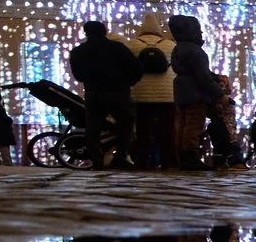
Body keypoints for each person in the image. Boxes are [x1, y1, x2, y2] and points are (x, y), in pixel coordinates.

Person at [69, 20, 141, 168]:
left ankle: (97, 160)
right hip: (119, 93)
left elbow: (78, 76)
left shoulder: (78, 51)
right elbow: (137, 68)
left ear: (86, 32)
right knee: (126, 125)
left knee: (93, 128)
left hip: (94, 94)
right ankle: (120, 157)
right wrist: (129, 82)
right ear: (105, 31)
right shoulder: (118, 48)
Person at [126, 15, 177, 169]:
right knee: (168, 130)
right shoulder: (170, 45)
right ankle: (169, 162)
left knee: (142, 131)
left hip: (140, 95)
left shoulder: (131, 45)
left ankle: (141, 161)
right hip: (167, 96)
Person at [167, 15, 216, 169]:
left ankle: (182, 156)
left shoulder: (178, 49)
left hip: (181, 92)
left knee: (181, 125)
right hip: (196, 94)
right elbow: (203, 77)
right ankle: (190, 157)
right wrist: (219, 94)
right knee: (193, 125)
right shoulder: (195, 51)